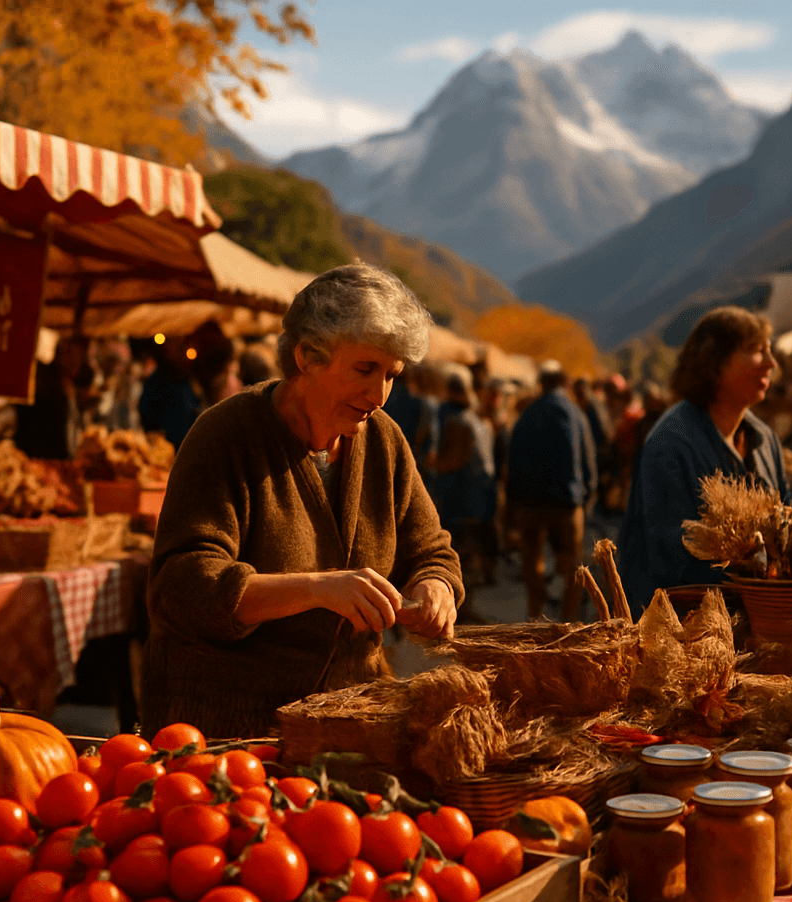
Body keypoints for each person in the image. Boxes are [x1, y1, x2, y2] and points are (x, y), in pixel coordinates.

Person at [143, 265, 464, 737]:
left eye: (391, 375)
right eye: (365, 369)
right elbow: (181, 588)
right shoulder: (226, 434)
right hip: (226, 729)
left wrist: (435, 587)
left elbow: (432, 551)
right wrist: (317, 589)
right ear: (309, 356)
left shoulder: (384, 441)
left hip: (346, 720)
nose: (380, 395)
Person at [617, 306, 788, 615]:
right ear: (714, 363)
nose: (771, 363)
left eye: (769, 350)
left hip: (750, 618)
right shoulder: (671, 444)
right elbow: (672, 558)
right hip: (678, 625)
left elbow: (785, 523)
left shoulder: (764, 440)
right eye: (756, 350)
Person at [505, 361, 598, 621]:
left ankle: (535, 614)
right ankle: (568, 621)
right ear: (564, 383)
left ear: (542, 383)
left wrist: (512, 505)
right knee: (572, 565)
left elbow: (513, 461)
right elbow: (589, 459)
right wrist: (587, 498)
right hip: (567, 504)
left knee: (532, 560)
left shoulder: (527, 414)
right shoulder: (575, 413)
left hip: (529, 504)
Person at [430, 369, 497, 592]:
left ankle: (461, 610)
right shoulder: (477, 420)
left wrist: (426, 465)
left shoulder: (456, 420)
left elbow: (454, 460)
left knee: (458, 555)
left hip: (461, 499)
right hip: (479, 498)